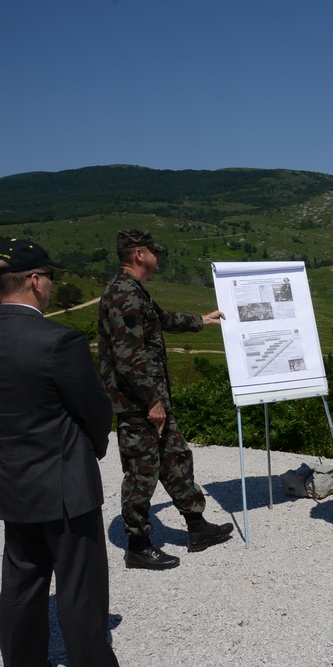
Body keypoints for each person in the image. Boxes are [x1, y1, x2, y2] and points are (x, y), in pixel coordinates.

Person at [0, 239, 120, 666]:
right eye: (50, 278)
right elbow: (93, 406)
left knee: (20, 582)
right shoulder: (58, 340)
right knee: (80, 590)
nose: (51, 286)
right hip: (65, 482)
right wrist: (97, 446)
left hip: (12, 482)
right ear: (35, 280)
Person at [98, 229, 233, 570]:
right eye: (154, 252)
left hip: (153, 401)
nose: (159, 257)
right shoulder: (122, 294)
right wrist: (151, 402)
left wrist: (201, 320)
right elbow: (128, 359)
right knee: (142, 472)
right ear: (140, 255)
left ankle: (197, 527)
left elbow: (161, 319)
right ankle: (138, 544)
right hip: (139, 405)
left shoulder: (136, 292)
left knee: (175, 459)